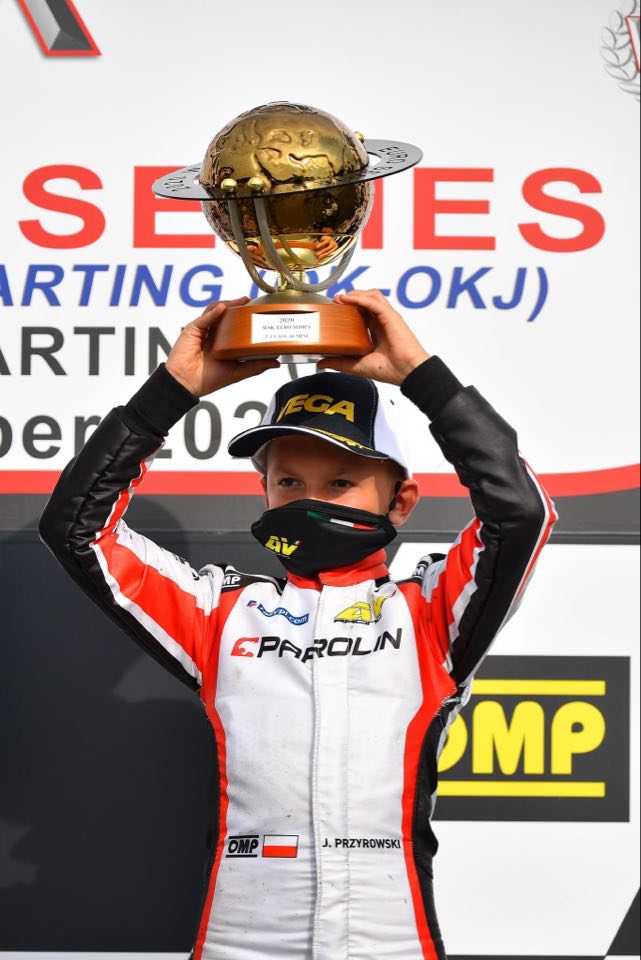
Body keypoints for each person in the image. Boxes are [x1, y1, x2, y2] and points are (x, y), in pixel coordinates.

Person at [39, 290, 557, 960]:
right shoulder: (219, 612)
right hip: (240, 939)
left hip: (389, 938)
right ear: (263, 491)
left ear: (400, 500)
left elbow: (521, 514)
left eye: (340, 483)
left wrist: (421, 378)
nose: (309, 500)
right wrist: (171, 392)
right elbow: (77, 530)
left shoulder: (430, 611)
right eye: (288, 482)